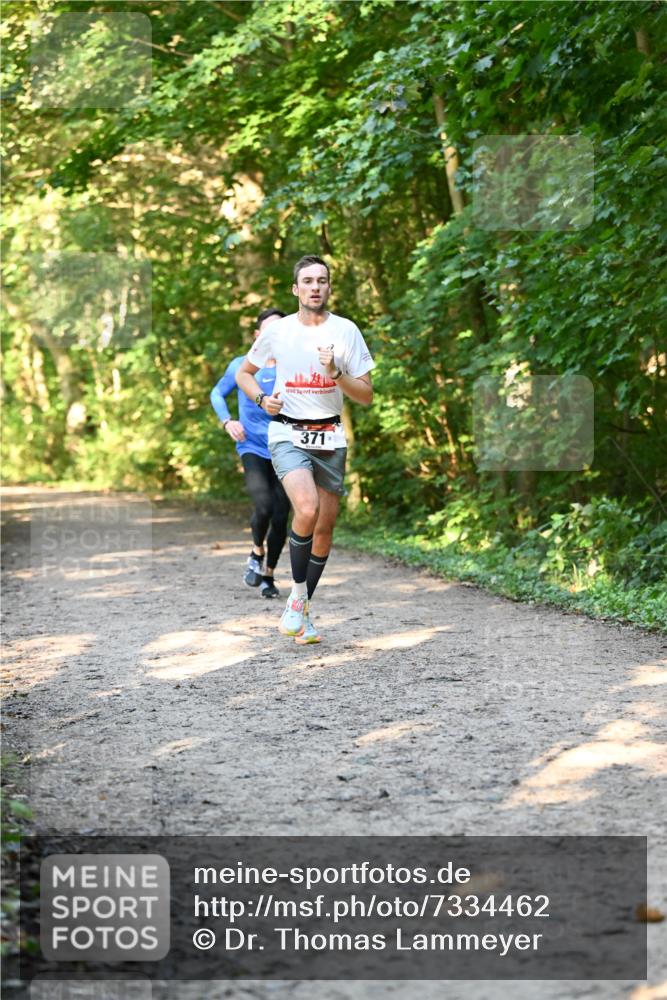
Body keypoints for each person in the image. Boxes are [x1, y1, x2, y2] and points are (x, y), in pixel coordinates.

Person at [236, 255, 375, 643]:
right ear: (296, 290)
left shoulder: (347, 331)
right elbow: (242, 374)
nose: (316, 287)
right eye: (308, 281)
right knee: (308, 509)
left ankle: (302, 608)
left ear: (330, 287)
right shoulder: (278, 331)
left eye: (323, 280)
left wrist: (336, 374)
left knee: (325, 530)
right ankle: (298, 600)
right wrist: (263, 401)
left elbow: (365, 395)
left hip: (330, 435)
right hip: (286, 433)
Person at [210, 308, 290, 599]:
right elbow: (217, 393)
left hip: (286, 447)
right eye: (269, 330)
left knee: (282, 515)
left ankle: (268, 575)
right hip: (252, 446)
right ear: (258, 336)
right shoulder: (240, 366)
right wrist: (227, 421)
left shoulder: (292, 367)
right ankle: (256, 551)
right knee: (265, 505)